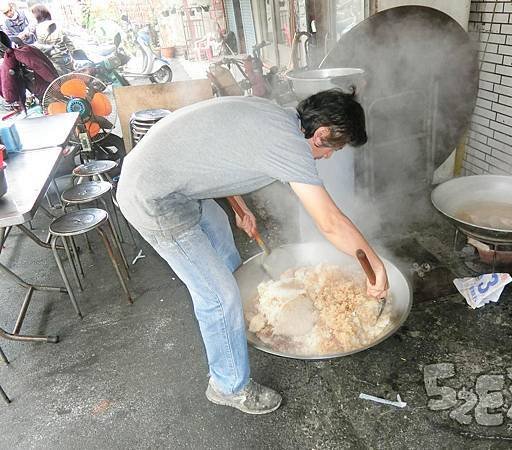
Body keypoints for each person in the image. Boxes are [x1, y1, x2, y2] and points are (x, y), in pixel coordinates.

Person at [116, 90, 389, 415]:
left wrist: (238, 205)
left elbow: (215, 152)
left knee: (221, 242)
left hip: (169, 180)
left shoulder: (277, 115)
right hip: (153, 197)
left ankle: (236, 327)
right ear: (321, 134)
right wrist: (376, 265)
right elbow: (330, 222)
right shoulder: (290, 145)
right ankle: (228, 386)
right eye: (334, 148)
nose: (329, 157)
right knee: (218, 296)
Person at [30, 4, 74, 74]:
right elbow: (69, 42)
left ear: (38, 15)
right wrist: (74, 54)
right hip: (66, 56)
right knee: (74, 76)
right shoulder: (57, 23)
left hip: (54, 59)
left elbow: (43, 47)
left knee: (62, 80)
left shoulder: (39, 28)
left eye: (33, 14)